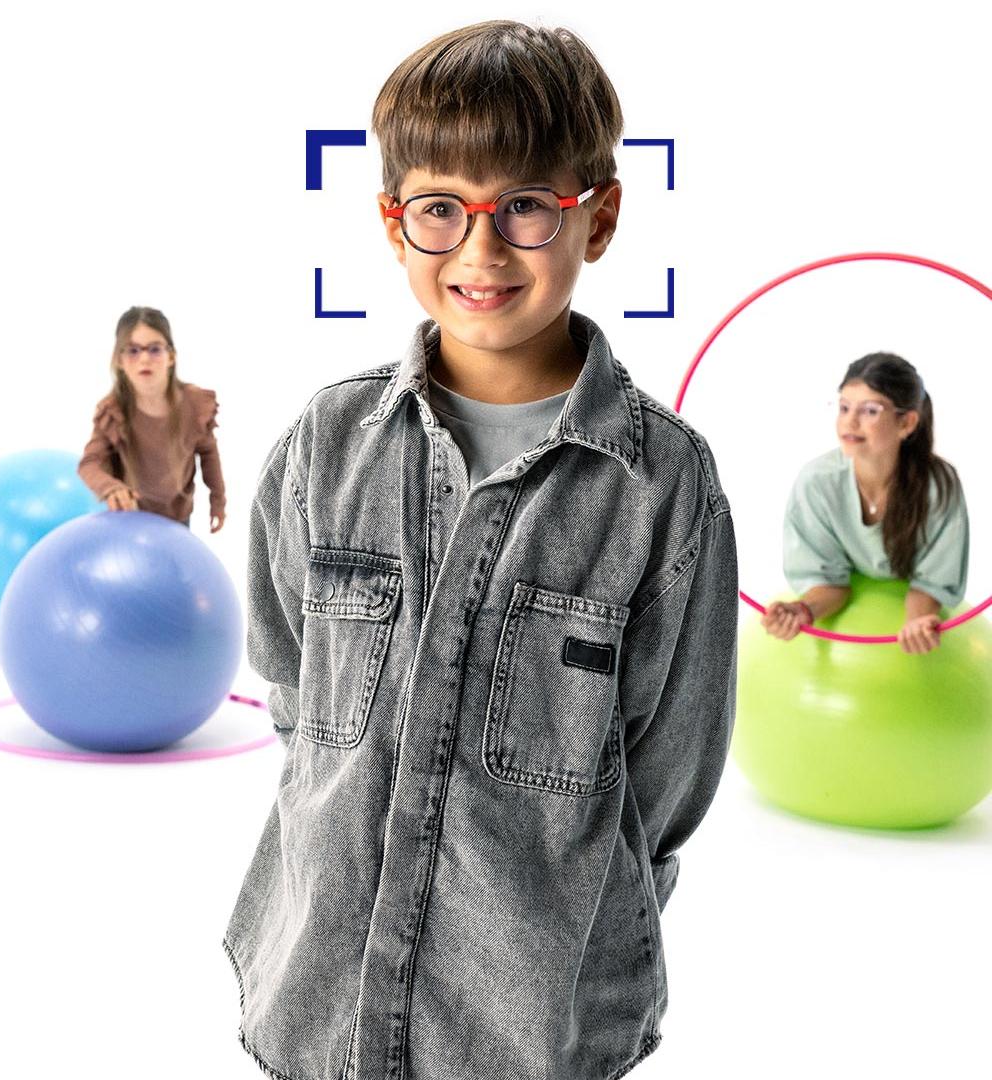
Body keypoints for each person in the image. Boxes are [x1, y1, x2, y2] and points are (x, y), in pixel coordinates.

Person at [221, 22, 737, 1080]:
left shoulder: (662, 487)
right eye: (442, 208)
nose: (481, 252)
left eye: (527, 209)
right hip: (317, 1003)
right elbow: (289, 686)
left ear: (598, 217)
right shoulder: (326, 447)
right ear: (393, 223)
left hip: (532, 1030)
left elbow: (670, 778)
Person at [761, 353, 968, 654]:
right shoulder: (817, 482)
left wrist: (916, 622)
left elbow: (933, 580)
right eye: (844, 407)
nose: (850, 421)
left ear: (907, 422)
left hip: (912, 615)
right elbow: (826, 580)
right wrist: (802, 611)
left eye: (870, 410)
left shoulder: (938, 485)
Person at [76, 306, 225, 532]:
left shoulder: (195, 405)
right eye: (133, 350)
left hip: (177, 516)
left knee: (173, 566)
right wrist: (111, 488)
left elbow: (208, 453)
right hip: (130, 517)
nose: (144, 358)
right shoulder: (113, 411)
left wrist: (218, 501)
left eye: (154, 349)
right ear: (119, 360)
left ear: (171, 356)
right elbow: (89, 463)